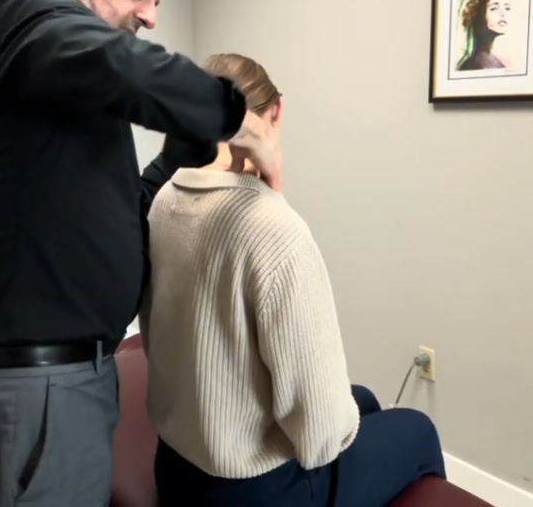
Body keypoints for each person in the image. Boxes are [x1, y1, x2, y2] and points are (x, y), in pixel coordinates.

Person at [0, 0, 279, 506]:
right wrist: (240, 120)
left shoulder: (57, 88)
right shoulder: (16, 15)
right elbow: (132, 70)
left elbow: (118, 210)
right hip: (26, 393)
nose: (150, 17)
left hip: (62, 384)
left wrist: (178, 156)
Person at [141, 53, 446, 507]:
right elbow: (321, 437)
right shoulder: (276, 230)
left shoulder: (163, 199)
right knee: (415, 428)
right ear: (276, 111)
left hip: (177, 469)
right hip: (257, 492)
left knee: (361, 399)